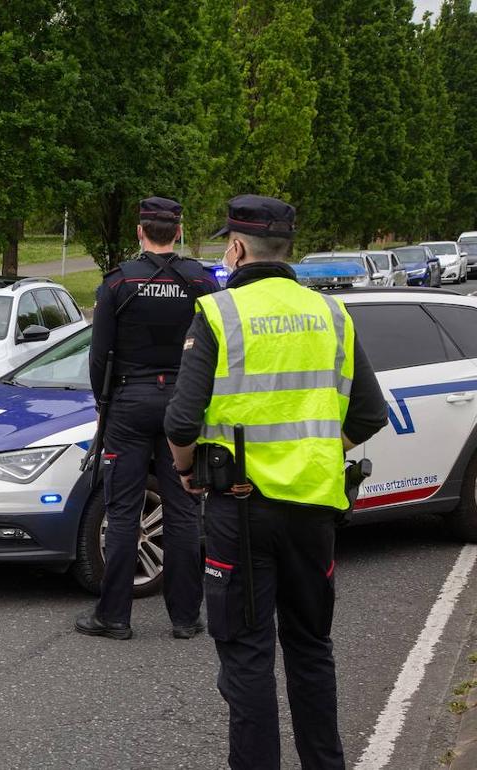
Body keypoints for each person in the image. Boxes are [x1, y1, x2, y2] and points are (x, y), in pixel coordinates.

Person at [164, 195, 388, 769]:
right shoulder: (333, 314)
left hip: (240, 511)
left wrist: (187, 472)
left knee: (247, 657)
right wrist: (313, 449)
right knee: (312, 650)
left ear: (236, 248)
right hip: (314, 510)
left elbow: (182, 421)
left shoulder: (218, 313)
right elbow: (367, 415)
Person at [74, 196, 220, 642]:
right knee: (182, 512)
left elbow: (99, 357)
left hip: (129, 403)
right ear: (178, 231)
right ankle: (185, 617)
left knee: (122, 512)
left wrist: (103, 405)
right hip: (184, 403)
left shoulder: (118, 283)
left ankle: (114, 616)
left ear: (140, 231)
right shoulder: (201, 281)